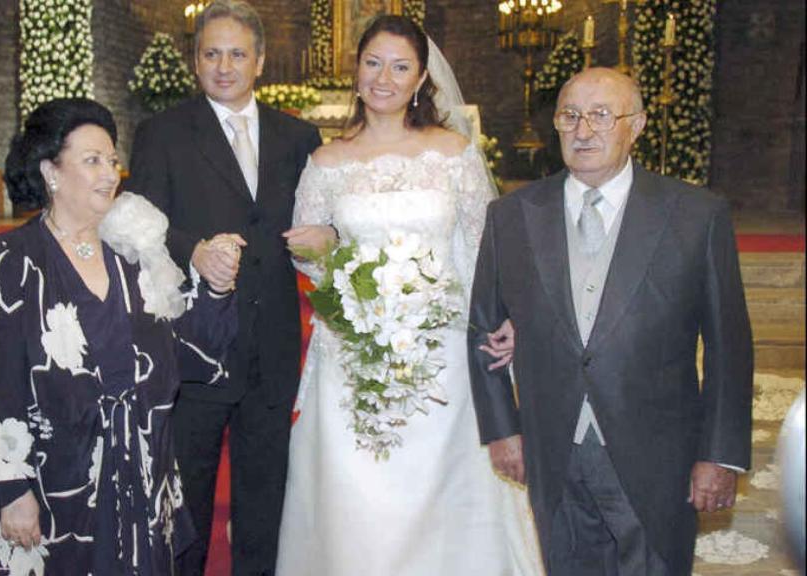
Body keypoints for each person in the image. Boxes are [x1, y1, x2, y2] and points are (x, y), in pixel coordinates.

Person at [275, 15, 543, 575]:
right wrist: (321, 248)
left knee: (443, 489)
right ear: (356, 71)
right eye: (373, 63)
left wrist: (505, 319)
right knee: (359, 496)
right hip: (354, 355)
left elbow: (485, 248)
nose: (384, 78)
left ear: (421, 78)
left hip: (442, 353)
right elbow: (308, 256)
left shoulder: (452, 154)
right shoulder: (326, 162)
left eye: (400, 67)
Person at [0, 97, 239, 575]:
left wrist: (215, 289)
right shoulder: (8, 260)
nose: (110, 173)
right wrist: (11, 492)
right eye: (92, 160)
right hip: (51, 495)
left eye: (112, 160)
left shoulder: (134, 252)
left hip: (138, 486)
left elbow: (193, 349)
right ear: (51, 170)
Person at [468, 67, 754, 576]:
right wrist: (502, 430)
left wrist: (720, 455)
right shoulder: (511, 217)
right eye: (570, 116)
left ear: (637, 125)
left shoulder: (694, 216)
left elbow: (729, 346)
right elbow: (483, 330)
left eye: (602, 115)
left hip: (658, 453)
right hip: (553, 445)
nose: (583, 131)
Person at [126, 2, 322, 574]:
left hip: (274, 345)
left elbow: (322, 219)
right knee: (187, 504)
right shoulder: (162, 133)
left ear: (259, 61)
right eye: (211, 53)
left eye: (237, 53)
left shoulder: (298, 136)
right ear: (195, 60)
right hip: (195, 346)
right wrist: (193, 251)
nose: (224, 66)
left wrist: (326, 236)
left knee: (265, 503)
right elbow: (140, 227)